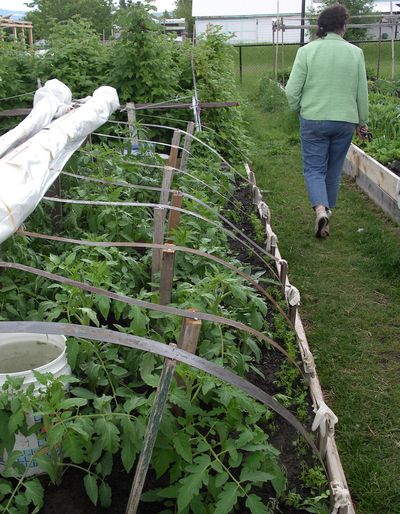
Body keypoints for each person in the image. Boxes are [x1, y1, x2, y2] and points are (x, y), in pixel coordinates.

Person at [285, 3, 369, 238]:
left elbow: (292, 91)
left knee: (314, 168)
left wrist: (298, 108)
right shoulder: (355, 53)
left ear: (322, 26)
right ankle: (327, 217)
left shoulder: (307, 51)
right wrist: (362, 122)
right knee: (333, 170)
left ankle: (320, 210)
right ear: (342, 27)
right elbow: (361, 92)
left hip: (313, 118)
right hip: (344, 122)